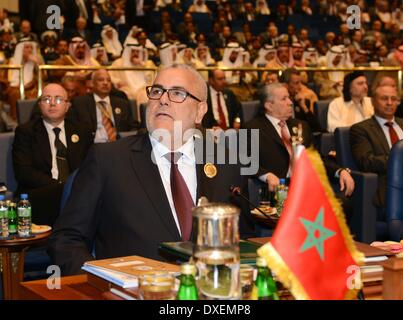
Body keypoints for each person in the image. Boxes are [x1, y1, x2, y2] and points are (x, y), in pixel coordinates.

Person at [48, 64, 255, 275]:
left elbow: (242, 241)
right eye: (157, 91)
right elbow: (66, 240)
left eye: (177, 93)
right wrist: (102, 284)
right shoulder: (108, 160)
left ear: (200, 111)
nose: (162, 99)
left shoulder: (227, 163)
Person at [244, 83, 355, 200]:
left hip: (306, 187)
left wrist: (340, 171)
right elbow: (245, 162)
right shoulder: (250, 128)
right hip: (277, 192)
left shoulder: (301, 125)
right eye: (284, 99)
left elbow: (316, 158)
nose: (290, 102)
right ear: (269, 106)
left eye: (289, 97)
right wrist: (267, 176)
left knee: (344, 204)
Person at [12, 83, 93, 226]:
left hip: (76, 193)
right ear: (40, 105)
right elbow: (24, 172)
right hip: (40, 194)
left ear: (67, 106)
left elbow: (90, 166)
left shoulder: (82, 130)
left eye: (59, 99)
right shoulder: (26, 132)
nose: (53, 103)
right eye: (47, 99)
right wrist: (61, 187)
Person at [350, 84, 403, 217]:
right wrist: (401, 161)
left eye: (393, 99)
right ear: (372, 101)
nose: (389, 103)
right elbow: (366, 162)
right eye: (384, 98)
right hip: (390, 187)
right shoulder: (361, 129)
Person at [70, 69, 137, 143]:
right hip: (93, 146)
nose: (105, 83)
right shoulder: (80, 103)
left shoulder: (122, 103)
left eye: (108, 80)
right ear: (92, 83)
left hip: (119, 145)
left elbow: (133, 127)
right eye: (101, 80)